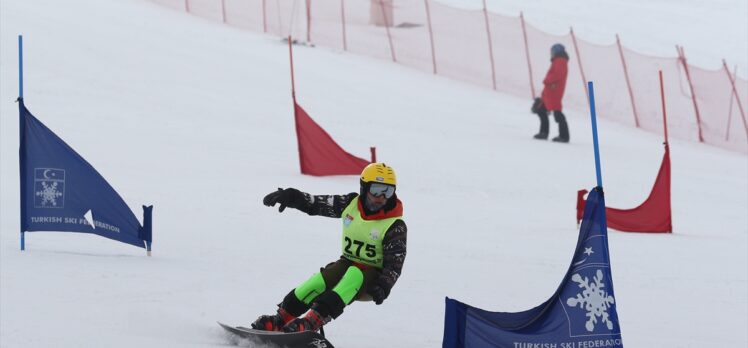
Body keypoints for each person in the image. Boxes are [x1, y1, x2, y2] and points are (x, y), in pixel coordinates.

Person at [251, 163, 407, 333]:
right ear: (364, 188)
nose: (382, 197)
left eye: (388, 191)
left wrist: (384, 285)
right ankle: (281, 319)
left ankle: (312, 321)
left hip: (373, 278)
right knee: (319, 280)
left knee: (353, 275)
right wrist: (293, 197)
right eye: (376, 190)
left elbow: (394, 264)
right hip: (348, 263)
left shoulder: (394, 225)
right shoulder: (350, 203)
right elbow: (316, 204)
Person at [532, 43, 570, 143]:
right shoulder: (558, 60)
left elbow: (558, 74)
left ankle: (564, 136)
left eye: (552, 52)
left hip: (554, 91)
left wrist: (546, 80)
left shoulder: (560, 61)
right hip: (550, 91)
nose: (551, 54)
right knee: (541, 110)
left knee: (557, 113)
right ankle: (544, 133)